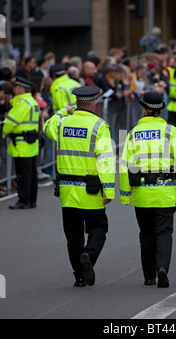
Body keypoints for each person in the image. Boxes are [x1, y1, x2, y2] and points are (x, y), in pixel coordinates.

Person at [43, 86, 115, 287]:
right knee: (99, 228)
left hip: (67, 190)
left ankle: (79, 277)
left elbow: (47, 126)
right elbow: (106, 161)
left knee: (73, 235)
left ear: (76, 104)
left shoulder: (63, 123)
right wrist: (109, 190)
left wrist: (61, 112)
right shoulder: (99, 126)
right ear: (94, 104)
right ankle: (89, 255)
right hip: (90, 191)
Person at [120, 92, 176, 287]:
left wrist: (126, 195)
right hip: (165, 190)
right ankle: (163, 268)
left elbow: (125, 166)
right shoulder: (170, 131)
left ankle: (149, 276)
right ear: (160, 111)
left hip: (142, 192)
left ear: (144, 109)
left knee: (146, 234)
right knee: (164, 232)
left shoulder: (134, 133)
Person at [2, 77, 40, 209]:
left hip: (21, 144)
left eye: (15, 87)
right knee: (31, 174)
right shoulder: (32, 101)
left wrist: (4, 132)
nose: (13, 89)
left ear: (20, 88)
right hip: (31, 143)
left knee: (23, 174)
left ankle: (23, 200)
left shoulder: (22, 103)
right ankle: (31, 200)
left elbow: (10, 122)